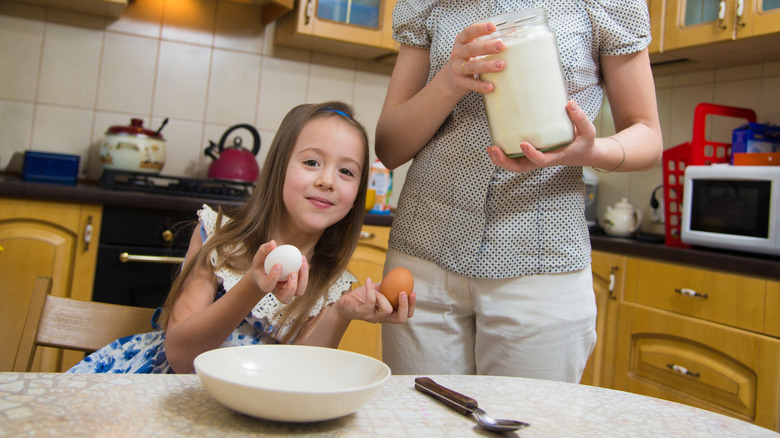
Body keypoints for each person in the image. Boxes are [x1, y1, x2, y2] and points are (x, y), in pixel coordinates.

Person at [375, 2, 662, 382]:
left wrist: (591, 151)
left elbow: (647, 134)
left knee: (529, 423)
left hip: (541, 266)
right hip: (423, 260)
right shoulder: (429, 4)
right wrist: (447, 81)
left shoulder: (608, 4)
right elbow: (389, 147)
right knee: (421, 423)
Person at [68, 101, 416, 374]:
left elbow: (296, 379)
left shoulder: (333, 287)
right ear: (278, 168)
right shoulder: (218, 238)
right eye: (311, 162)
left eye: (346, 171)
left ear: (358, 191)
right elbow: (181, 358)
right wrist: (253, 284)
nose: (327, 180)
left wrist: (340, 314)